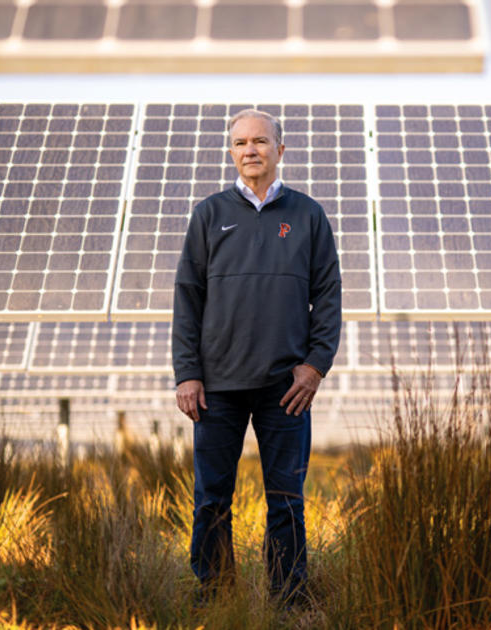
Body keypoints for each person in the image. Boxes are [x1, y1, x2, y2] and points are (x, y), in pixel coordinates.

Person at [172, 108, 342, 606]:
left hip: (285, 388)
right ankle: (214, 596)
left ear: (279, 150)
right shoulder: (209, 214)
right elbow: (188, 297)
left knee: (286, 501)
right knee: (211, 499)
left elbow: (328, 295)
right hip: (217, 385)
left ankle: (289, 598)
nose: (251, 150)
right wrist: (188, 374)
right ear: (232, 152)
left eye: (261, 141)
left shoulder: (308, 215)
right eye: (241, 142)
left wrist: (315, 366)